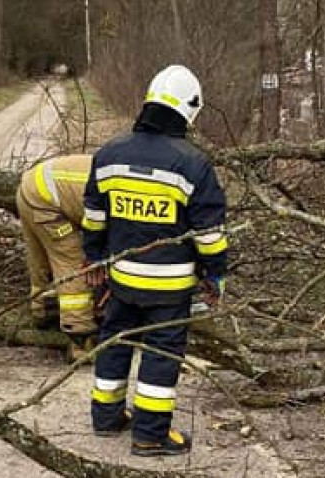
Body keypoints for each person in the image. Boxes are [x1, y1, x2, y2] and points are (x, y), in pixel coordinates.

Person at [82, 65, 230, 457]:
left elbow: (94, 218)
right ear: (189, 110)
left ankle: (106, 417)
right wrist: (216, 277)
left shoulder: (109, 153)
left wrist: (95, 260)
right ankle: (149, 435)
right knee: (161, 356)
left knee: (114, 342)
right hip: (169, 287)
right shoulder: (193, 164)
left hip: (122, 280)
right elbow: (210, 237)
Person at [16, 154, 99, 362]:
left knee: (41, 261)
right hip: (46, 202)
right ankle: (80, 343)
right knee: (72, 264)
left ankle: (43, 313)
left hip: (30, 188)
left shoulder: (118, 167)